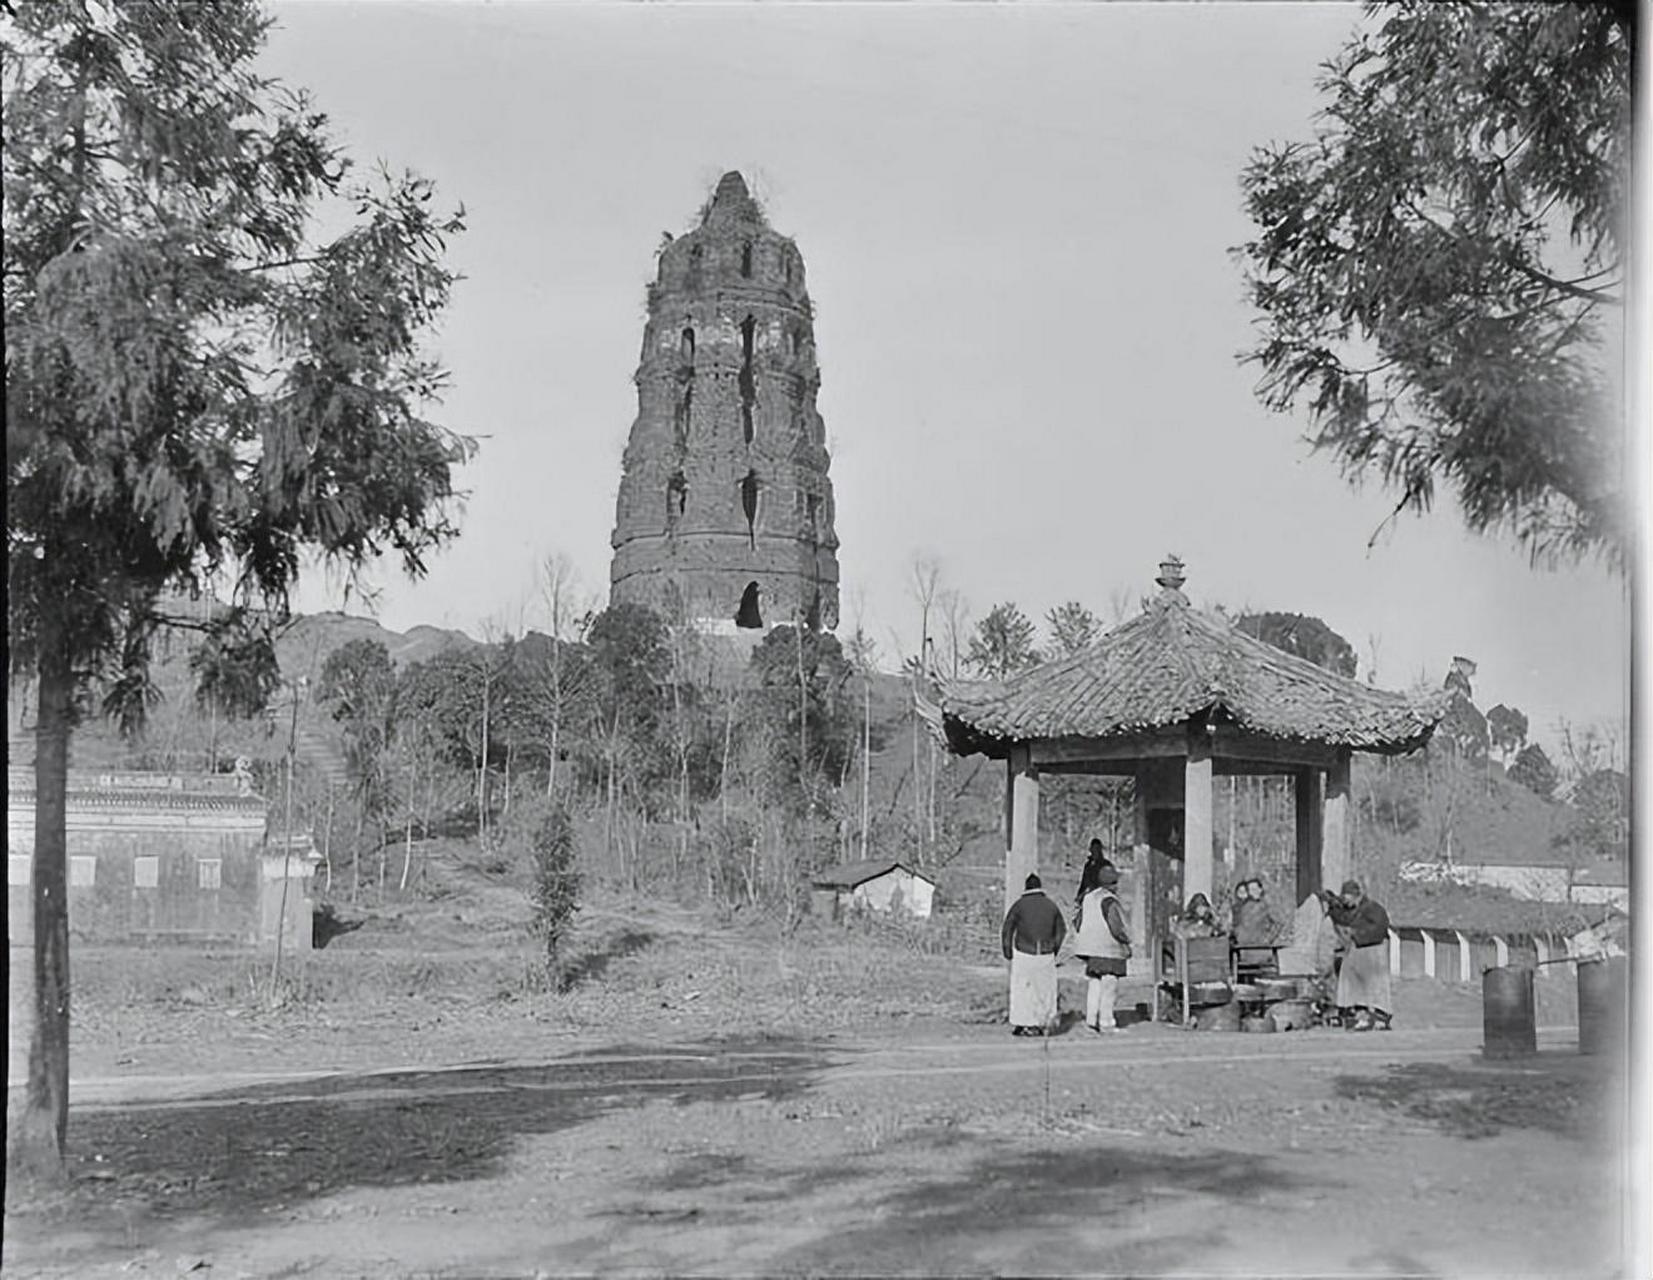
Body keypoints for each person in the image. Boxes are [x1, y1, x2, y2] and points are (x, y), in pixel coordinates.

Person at [1001, 873, 1067, 1036]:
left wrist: (1008, 951)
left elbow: (1007, 929)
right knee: (1044, 990)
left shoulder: (1019, 905)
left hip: (1024, 952)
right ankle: (1042, 1023)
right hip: (1045, 954)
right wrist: (1054, 949)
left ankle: (1022, 1022)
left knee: (1022, 989)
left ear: (1026, 888)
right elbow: (1061, 930)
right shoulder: (1051, 905)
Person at [1072, 859, 1132, 1033]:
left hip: (1091, 950)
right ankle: (1107, 1022)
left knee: (1094, 984)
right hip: (1109, 950)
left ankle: (1091, 1021)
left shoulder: (1089, 897)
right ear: (1113, 883)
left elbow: (1077, 922)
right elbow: (1116, 926)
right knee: (1109, 986)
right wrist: (1125, 941)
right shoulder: (1110, 900)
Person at [1326, 879, 1393, 1031]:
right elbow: (1344, 918)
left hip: (1373, 953)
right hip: (1358, 953)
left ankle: (1380, 1018)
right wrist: (1333, 907)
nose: (1345, 901)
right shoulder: (1353, 909)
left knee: (1377, 986)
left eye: (1347, 897)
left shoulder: (1373, 908)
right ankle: (1359, 1014)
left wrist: (1356, 934)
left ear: (1355, 895)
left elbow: (1379, 928)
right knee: (1354, 983)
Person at [1231, 878, 1280, 948]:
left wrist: (1267, 940)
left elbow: (1278, 924)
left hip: (1261, 948)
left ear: (1261, 889)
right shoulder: (1245, 906)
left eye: (1254, 889)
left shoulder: (1267, 906)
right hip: (1242, 947)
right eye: (1250, 890)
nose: (1252, 892)